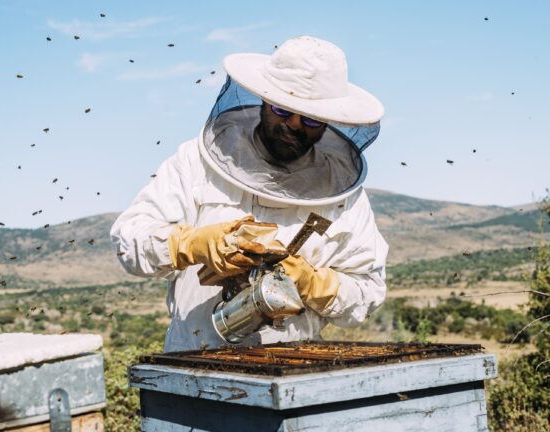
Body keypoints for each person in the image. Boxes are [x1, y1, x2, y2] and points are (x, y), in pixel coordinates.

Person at [110, 35, 389, 353]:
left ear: (329, 121)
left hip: (295, 363)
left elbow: (367, 292)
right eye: (284, 111)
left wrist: (312, 283)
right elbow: (128, 241)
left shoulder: (344, 193)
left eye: (311, 119)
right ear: (265, 100)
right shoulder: (195, 162)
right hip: (193, 356)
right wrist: (190, 244)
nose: (294, 125)